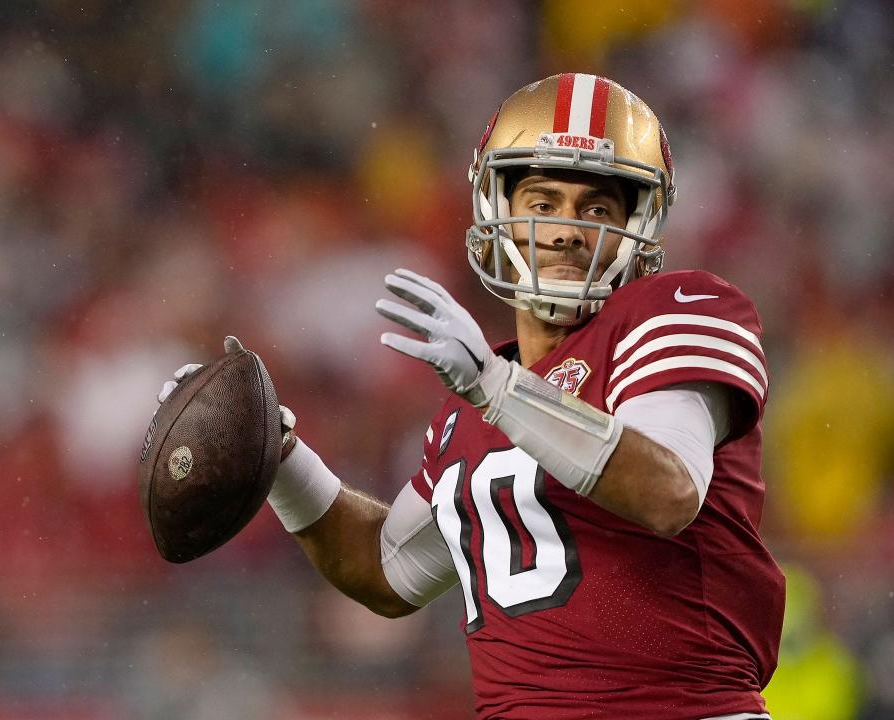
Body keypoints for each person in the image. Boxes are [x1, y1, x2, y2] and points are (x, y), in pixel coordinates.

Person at [158, 73, 785, 719]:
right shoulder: (475, 403)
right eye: (543, 204)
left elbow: (668, 490)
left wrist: (495, 387)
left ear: (640, 223)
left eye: (596, 209)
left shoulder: (675, 309)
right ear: (497, 214)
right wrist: (277, 453)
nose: (567, 230)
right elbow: (388, 570)